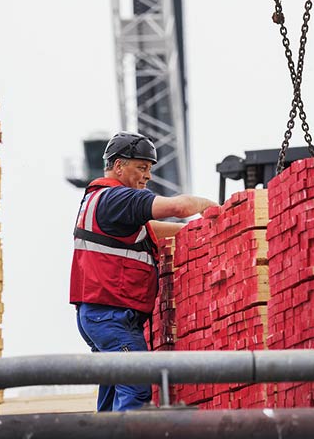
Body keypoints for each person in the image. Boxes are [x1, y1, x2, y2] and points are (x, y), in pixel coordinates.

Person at [69, 131, 217, 412]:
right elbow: (179, 206)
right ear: (118, 166)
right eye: (142, 167)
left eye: (149, 169)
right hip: (112, 317)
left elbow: (154, 232)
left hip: (101, 315)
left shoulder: (99, 201)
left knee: (113, 395)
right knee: (136, 388)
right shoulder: (118, 199)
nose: (147, 176)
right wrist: (212, 209)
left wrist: (200, 231)